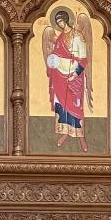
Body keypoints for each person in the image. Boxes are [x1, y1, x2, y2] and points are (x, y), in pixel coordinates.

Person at [42, 10, 92, 152]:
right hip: (59, 75)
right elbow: (56, 54)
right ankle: (65, 132)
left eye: (61, 21)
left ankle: (81, 136)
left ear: (66, 20)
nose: (60, 24)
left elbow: (83, 60)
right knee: (62, 105)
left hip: (74, 77)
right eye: (58, 22)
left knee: (76, 106)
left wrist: (75, 74)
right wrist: (51, 61)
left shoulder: (78, 36)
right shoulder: (60, 38)